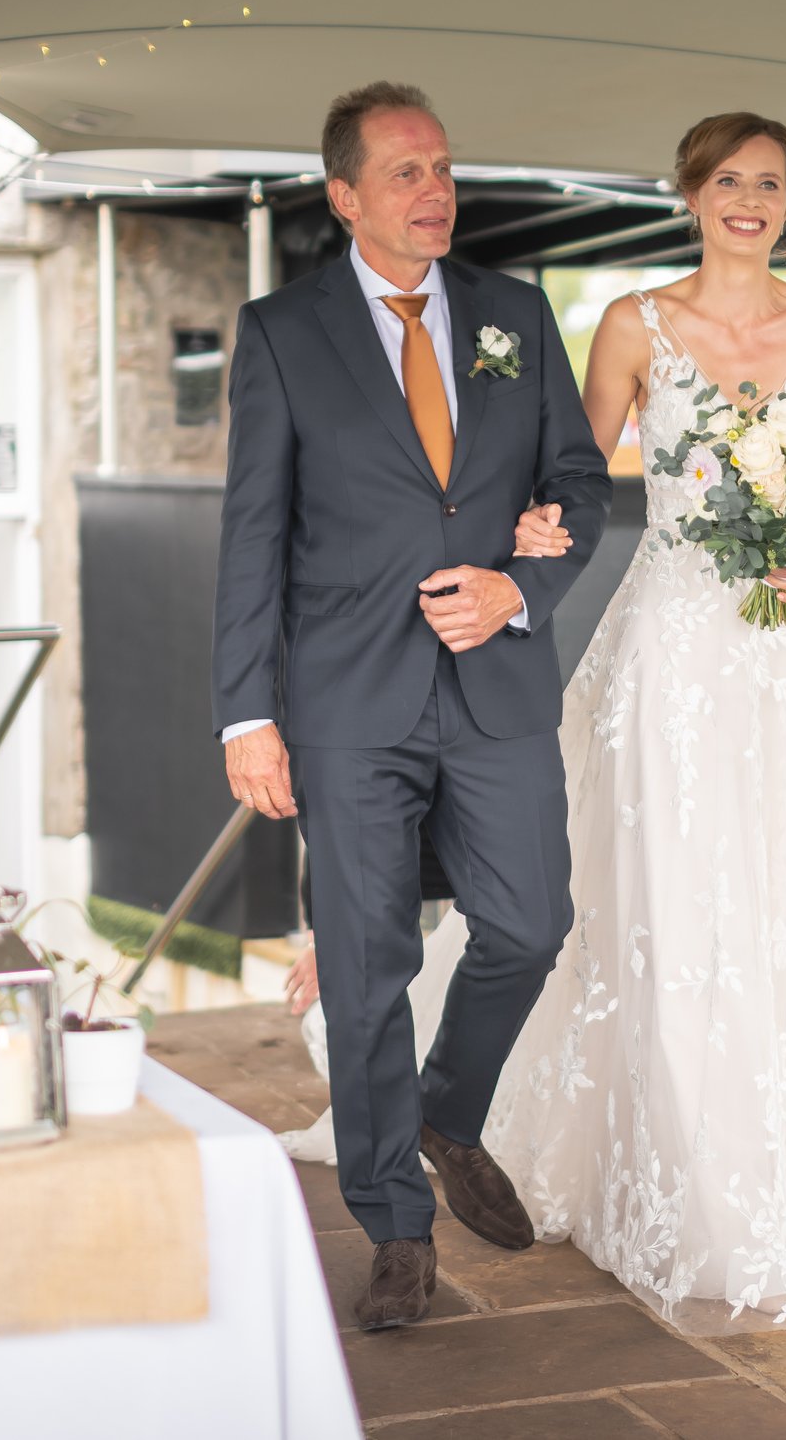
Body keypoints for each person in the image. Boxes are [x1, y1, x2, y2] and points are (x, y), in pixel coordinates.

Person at [285, 113, 786, 1332]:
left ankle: (764, 1180)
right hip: (671, 644)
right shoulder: (628, 326)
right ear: (690, 196)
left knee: (778, 900)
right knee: (649, 899)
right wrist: (518, 545)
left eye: (768, 183)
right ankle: (647, 1171)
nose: (748, 201)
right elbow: (563, 468)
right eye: (726, 181)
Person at [214, 81, 612, 1331]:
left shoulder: (515, 314)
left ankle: (448, 1106)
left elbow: (578, 483)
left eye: (442, 168)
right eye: (404, 173)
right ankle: (393, 1218)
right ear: (343, 197)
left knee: (531, 921)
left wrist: (521, 584)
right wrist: (245, 715)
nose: (434, 190)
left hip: (493, 684)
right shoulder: (281, 332)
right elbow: (252, 535)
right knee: (369, 965)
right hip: (344, 699)